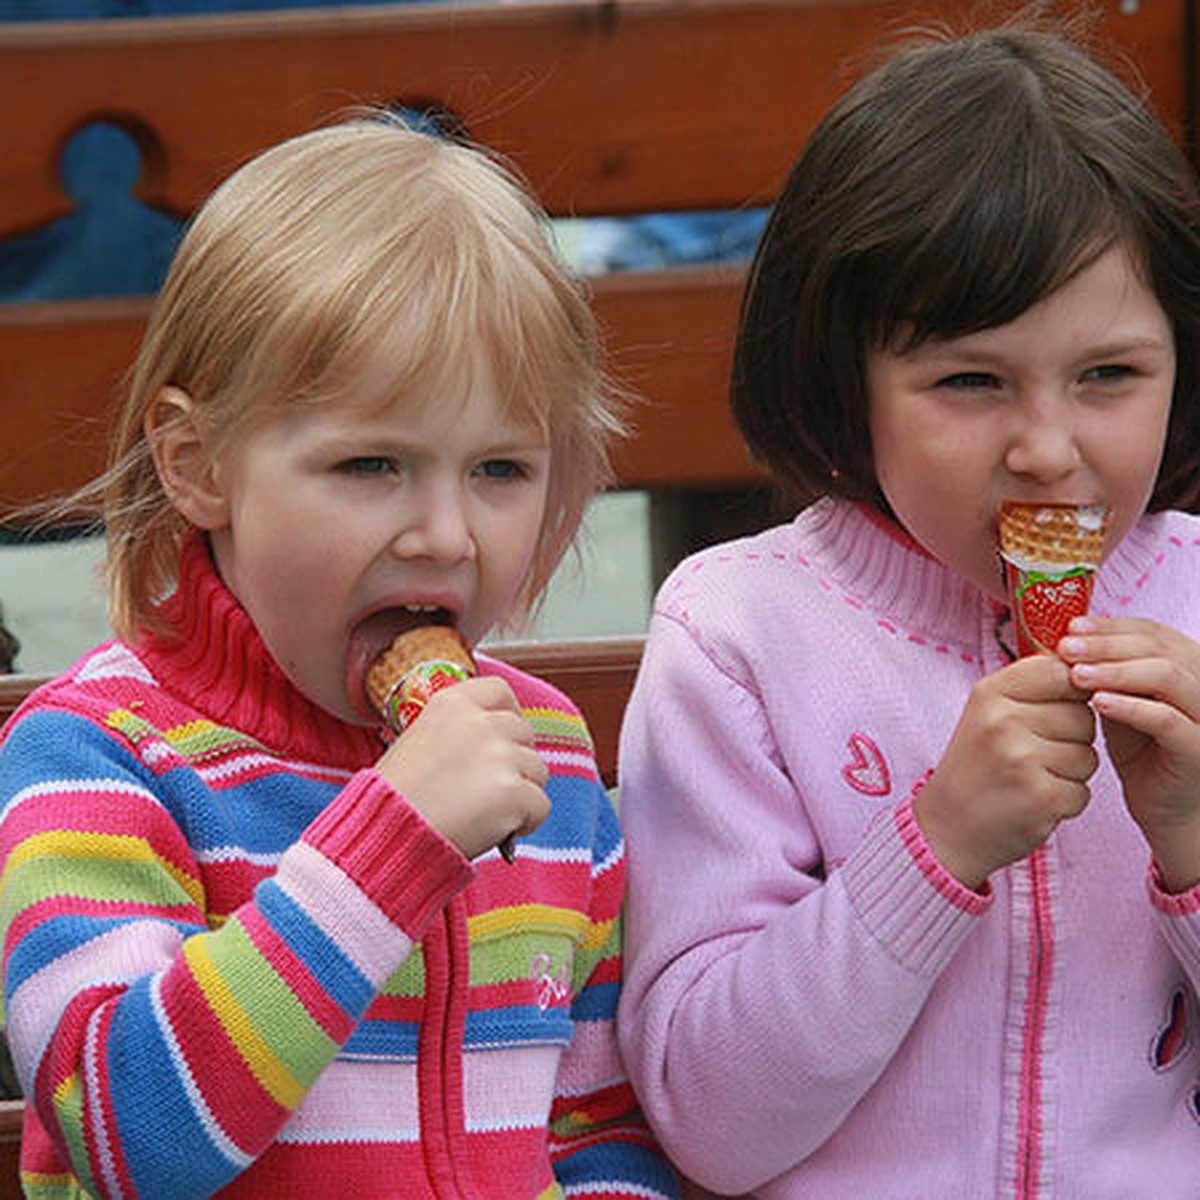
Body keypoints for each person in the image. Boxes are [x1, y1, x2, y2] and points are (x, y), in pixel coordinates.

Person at [0, 115, 677, 1200]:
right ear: (198, 466)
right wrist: (391, 842)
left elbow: (591, 1120)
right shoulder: (100, 758)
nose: (446, 535)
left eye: (501, 468)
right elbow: (127, 1133)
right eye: (372, 464)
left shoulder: (546, 759)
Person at [616, 20, 1200, 1199]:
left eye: (1109, 375)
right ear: (848, 381)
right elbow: (709, 1118)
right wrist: (935, 847)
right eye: (970, 382)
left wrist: (1192, 838)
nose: (1048, 449)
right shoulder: (739, 638)